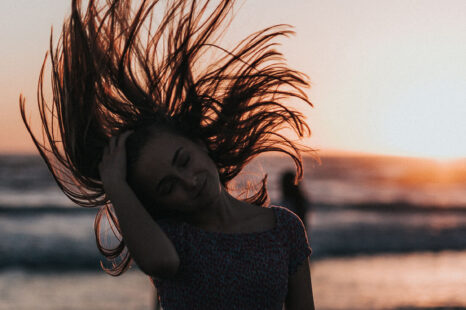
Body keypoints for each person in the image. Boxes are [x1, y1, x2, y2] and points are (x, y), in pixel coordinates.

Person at [19, 0, 320, 309]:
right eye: (167, 187)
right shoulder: (174, 239)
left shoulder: (284, 229)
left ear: (200, 145)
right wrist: (117, 186)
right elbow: (160, 261)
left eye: (183, 161)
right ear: (160, 203)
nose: (187, 181)